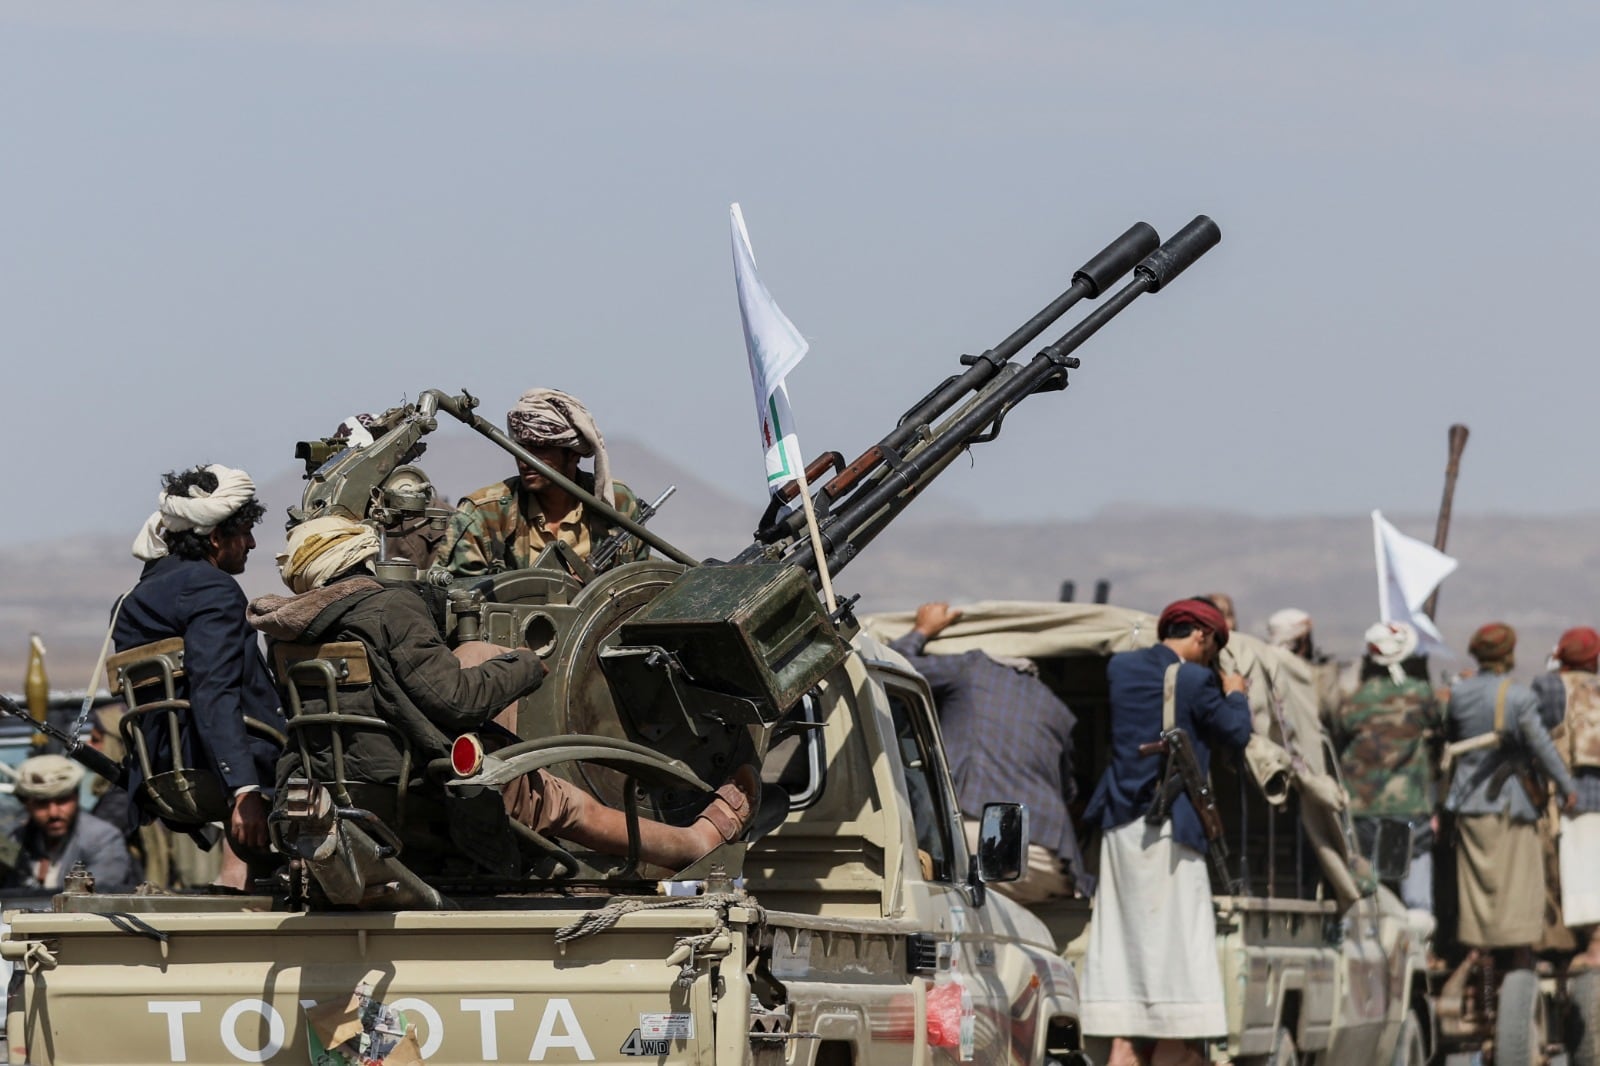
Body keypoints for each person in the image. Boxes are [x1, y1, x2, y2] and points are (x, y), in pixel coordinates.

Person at [249, 515, 755, 872]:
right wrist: (525, 665)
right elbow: (455, 701)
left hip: (348, 783)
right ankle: (691, 844)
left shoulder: (290, 635)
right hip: (425, 778)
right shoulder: (389, 609)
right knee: (564, 804)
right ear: (363, 557)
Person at [1081, 598, 1253, 1066]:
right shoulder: (1196, 679)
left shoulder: (1120, 668)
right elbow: (1236, 733)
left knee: (1126, 941)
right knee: (1180, 946)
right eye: (1213, 647)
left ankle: (1126, 1041)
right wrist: (1236, 691)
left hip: (1121, 826)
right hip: (1170, 829)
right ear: (1201, 636)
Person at [114, 464, 286, 890]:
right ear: (214, 538)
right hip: (226, 759)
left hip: (165, 760)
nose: (251, 542)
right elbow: (214, 691)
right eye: (243, 531)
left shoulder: (141, 593)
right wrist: (243, 788)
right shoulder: (212, 589)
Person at [889, 601, 1090, 904]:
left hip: (980, 846)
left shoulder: (971, 668)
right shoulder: (1058, 709)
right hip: (1049, 862)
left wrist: (922, 630)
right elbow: (1069, 791)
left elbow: (893, 667)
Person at [1443, 622, 1577, 970]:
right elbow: (1541, 745)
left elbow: (1450, 736)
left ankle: (1478, 950)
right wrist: (1567, 786)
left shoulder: (1459, 694)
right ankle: (1517, 955)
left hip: (1469, 801)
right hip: (1509, 802)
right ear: (1509, 654)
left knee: (1477, 887)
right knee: (1518, 883)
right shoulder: (1517, 696)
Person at [443, 388, 646, 576]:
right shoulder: (485, 514)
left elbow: (644, 588)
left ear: (574, 454)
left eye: (539, 449)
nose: (525, 461)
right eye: (520, 448)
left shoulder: (618, 506)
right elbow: (450, 593)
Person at [1329, 621, 1441, 914]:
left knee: (1370, 878)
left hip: (1361, 804)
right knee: (1413, 869)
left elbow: (1340, 729)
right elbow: (1438, 725)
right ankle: (1418, 942)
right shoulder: (1419, 694)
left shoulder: (1354, 698)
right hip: (1406, 804)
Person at [1537, 627, 1600, 968]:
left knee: (1567, 874)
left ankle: (1584, 948)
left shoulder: (1550, 687)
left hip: (1564, 798)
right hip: (1594, 795)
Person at [5, 755, 138, 893]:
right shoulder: (17, 839)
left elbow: (97, 897)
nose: (54, 813)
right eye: (42, 803)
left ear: (76, 797)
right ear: (27, 805)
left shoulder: (102, 839)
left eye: (62, 800)